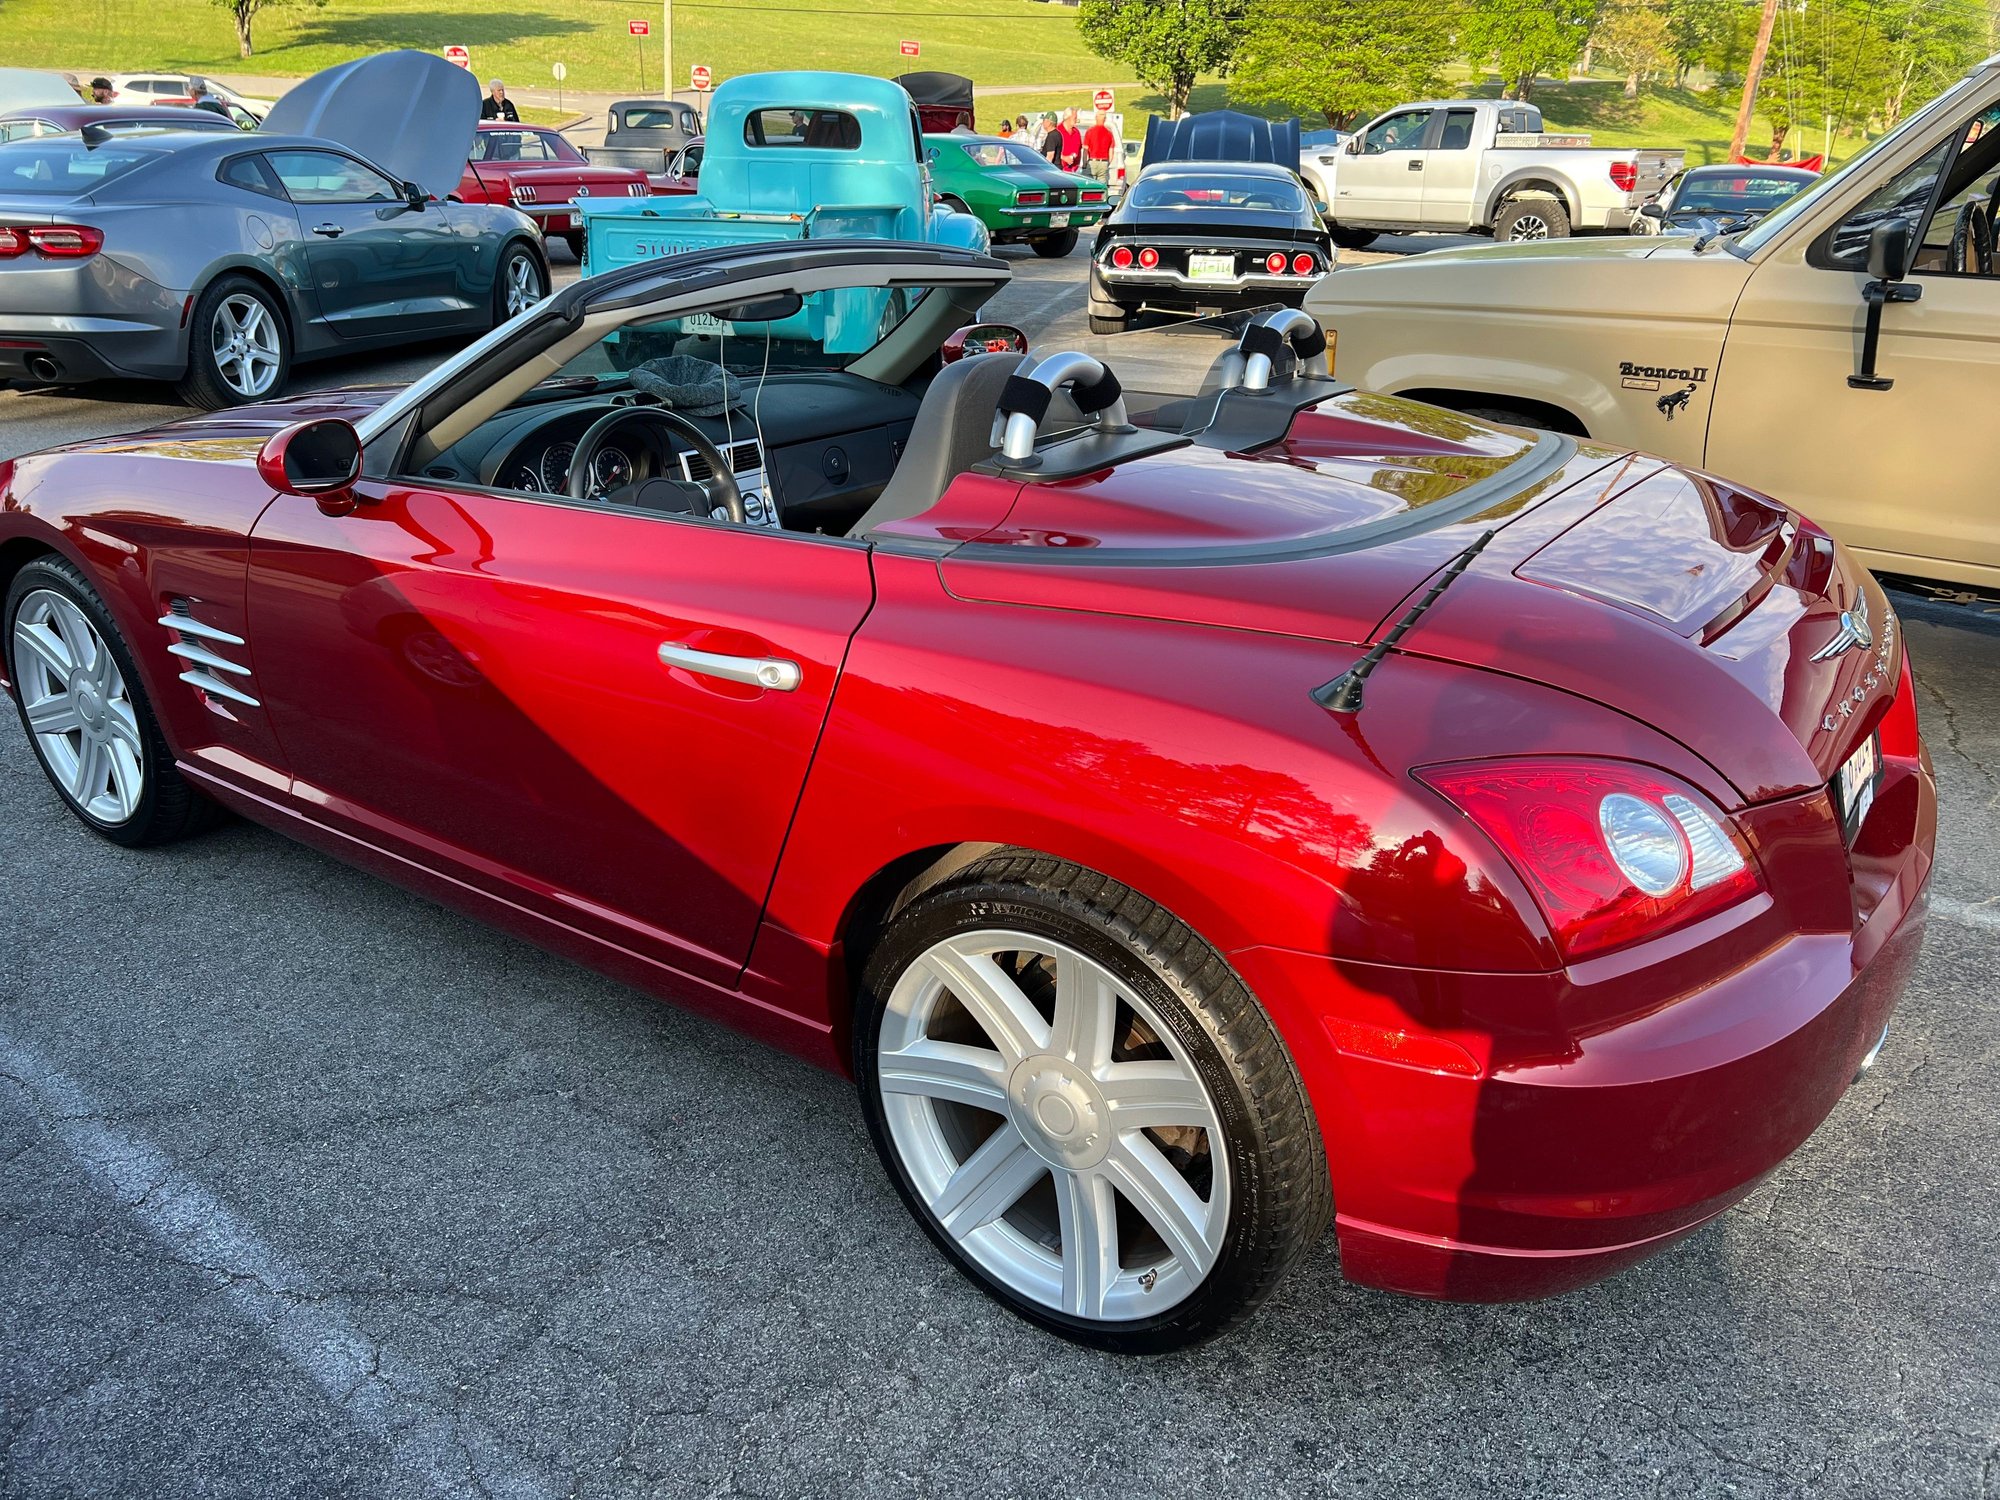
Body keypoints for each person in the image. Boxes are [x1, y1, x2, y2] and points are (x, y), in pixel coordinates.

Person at [1082, 109, 1115, 185]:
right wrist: (1107, 163)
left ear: (1096, 118)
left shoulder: (1090, 131)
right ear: (1105, 119)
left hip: (1092, 162)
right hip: (1103, 162)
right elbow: (1111, 152)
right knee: (1101, 186)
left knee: (1089, 185)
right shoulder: (1109, 133)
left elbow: (1085, 150)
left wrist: (1084, 164)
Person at [1056, 108, 1084, 174]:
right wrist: (1064, 158)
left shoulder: (1076, 132)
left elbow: (1079, 149)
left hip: (1075, 171)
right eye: (1075, 118)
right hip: (1060, 170)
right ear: (1067, 118)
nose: (1076, 120)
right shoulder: (1057, 131)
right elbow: (1051, 151)